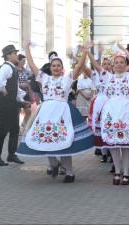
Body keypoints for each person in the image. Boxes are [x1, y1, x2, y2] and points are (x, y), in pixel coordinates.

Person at [16, 41, 94, 183]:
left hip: (62, 112)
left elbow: (79, 67)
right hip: (46, 113)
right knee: (45, 138)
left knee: (64, 140)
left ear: (62, 68)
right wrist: (26, 48)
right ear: (50, 67)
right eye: (53, 65)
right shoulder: (44, 78)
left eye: (58, 65)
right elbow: (32, 65)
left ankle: (69, 172)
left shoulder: (67, 79)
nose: (56, 67)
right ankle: (53, 163)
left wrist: (85, 52)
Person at [88, 42, 129, 185]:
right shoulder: (107, 77)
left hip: (126, 111)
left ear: (125, 64)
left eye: (121, 62)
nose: (119, 65)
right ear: (112, 65)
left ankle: (126, 173)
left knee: (125, 144)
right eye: (116, 63)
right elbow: (95, 64)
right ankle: (117, 172)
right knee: (113, 144)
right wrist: (88, 52)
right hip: (111, 111)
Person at [0, 45, 30, 166]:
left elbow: (15, 87)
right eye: (14, 53)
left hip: (12, 102)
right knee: (3, 129)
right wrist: (3, 90)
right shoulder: (6, 67)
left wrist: (21, 99)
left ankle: (11, 155)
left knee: (14, 129)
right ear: (8, 55)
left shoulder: (12, 68)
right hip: (4, 103)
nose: (16, 55)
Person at [16, 54, 32, 130]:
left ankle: (25, 126)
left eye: (25, 61)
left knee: (29, 111)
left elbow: (29, 79)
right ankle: (17, 128)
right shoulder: (14, 70)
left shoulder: (25, 70)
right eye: (23, 61)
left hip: (26, 93)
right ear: (18, 60)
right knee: (17, 111)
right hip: (17, 94)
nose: (24, 63)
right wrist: (20, 85)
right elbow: (12, 82)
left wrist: (29, 83)